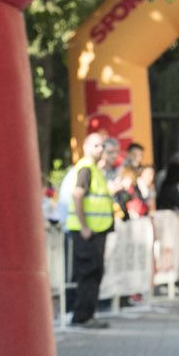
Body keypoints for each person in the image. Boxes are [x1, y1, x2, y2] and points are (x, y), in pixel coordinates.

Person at [62, 130, 113, 328]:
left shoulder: (94, 169)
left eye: (101, 145)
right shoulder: (86, 169)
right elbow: (78, 195)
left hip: (96, 230)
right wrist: (83, 226)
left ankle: (87, 314)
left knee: (94, 273)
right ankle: (82, 316)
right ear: (85, 147)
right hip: (87, 231)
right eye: (95, 145)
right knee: (88, 273)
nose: (99, 149)